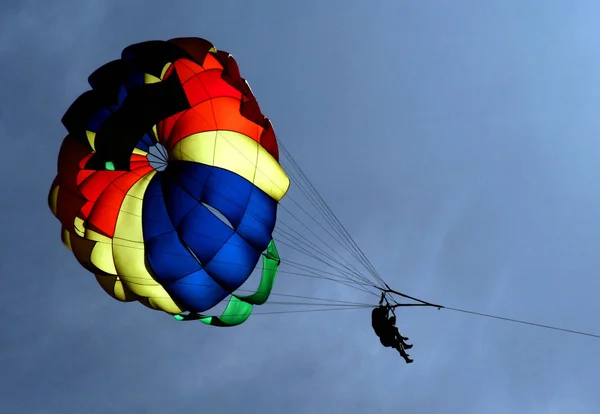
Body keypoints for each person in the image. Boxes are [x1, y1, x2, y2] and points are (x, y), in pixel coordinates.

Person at [371, 293, 414, 363]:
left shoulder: (385, 321)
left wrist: (401, 338)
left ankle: (406, 357)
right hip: (384, 339)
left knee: (397, 342)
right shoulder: (379, 316)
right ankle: (404, 347)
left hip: (387, 336)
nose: (393, 324)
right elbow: (380, 305)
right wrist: (384, 303)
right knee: (395, 331)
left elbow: (384, 310)